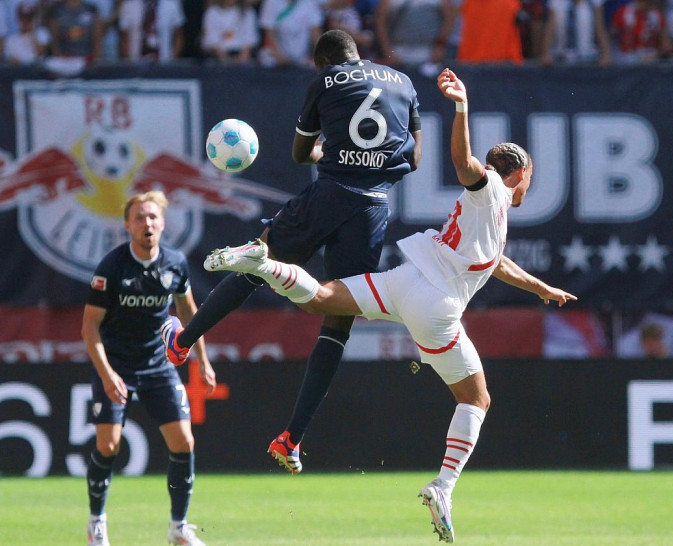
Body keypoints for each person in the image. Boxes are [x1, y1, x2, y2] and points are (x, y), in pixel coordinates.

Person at [201, 68, 577, 543]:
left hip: (405, 280)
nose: (527, 189)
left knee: (320, 298)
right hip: (436, 306)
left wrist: (540, 288)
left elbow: (495, 262)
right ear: (520, 174)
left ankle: (260, 262)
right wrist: (461, 106)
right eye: (529, 181)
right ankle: (443, 486)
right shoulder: (495, 190)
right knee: (476, 398)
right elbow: (464, 165)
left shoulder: (489, 213)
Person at [161, 29, 422, 473]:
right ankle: (292, 439)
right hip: (374, 208)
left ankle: (182, 343)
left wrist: (327, 147)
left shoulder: (327, 81)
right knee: (338, 317)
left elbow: (303, 153)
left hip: (330, 193)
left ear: (324, 62)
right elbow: (414, 161)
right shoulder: (403, 82)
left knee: (256, 260)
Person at [81, 191, 216, 546]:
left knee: (184, 441)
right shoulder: (112, 267)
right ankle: (96, 523)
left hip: (157, 364)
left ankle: (179, 528)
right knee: (108, 445)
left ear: (163, 223)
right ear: (127, 224)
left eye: (153, 217)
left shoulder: (175, 264)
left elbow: (189, 315)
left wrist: (202, 358)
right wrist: (108, 374)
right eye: (139, 217)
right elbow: (89, 327)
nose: (147, 224)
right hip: (114, 365)